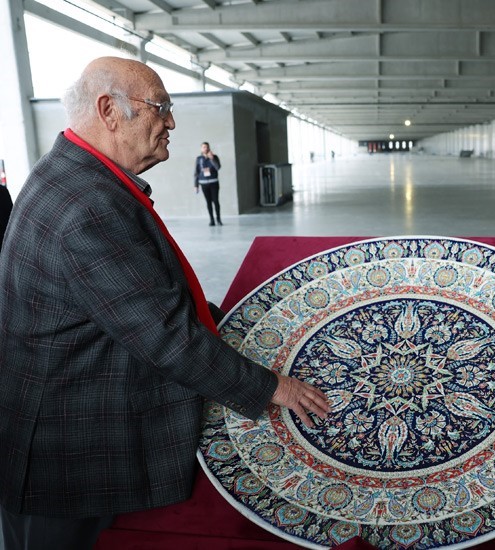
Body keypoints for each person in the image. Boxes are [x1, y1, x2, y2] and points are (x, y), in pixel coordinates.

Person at [0, 57, 329, 550]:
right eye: (160, 107)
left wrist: (225, 318)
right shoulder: (89, 206)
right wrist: (271, 388)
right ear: (109, 111)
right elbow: (167, 339)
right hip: (66, 453)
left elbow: (134, 290)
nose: (171, 122)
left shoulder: (71, 174)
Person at [194, 141, 222, 226]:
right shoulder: (199, 159)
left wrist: (212, 158)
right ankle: (212, 220)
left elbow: (218, 167)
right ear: (201, 149)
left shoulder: (214, 157)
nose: (205, 148)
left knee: (216, 201)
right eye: (204, 147)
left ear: (209, 148)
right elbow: (196, 172)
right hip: (203, 184)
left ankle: (218, 219)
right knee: (208, 202)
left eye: (207, 147)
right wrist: (196, 185)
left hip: (214, 182)